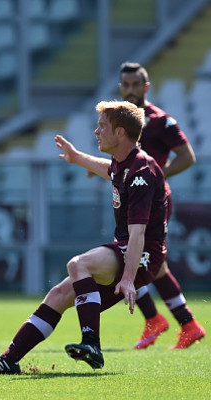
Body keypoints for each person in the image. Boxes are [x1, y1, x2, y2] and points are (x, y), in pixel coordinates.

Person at [0, 100, 168, 375]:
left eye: (102, 126)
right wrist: (77, 158)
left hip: (143, 253)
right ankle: (9, 359)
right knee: (60, 293)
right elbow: (110, 171)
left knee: (79, 264)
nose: (96, 131)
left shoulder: (141, 172)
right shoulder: (124, 163)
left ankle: (92, 343)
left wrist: (127, 278)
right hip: (129, 249)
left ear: (120, 133)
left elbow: (138, 233)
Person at [118, 62, 205, 349]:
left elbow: (187, 156)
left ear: (146, 87)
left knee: (131, 259)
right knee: (154, 266)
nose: (130, 90)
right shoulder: (120, 120)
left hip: (154, 201)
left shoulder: (160, 121)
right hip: (130, 200)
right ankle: (186, 324)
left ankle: (159, 319)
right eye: (125, 85)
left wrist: (155, 174)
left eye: (135, 85)